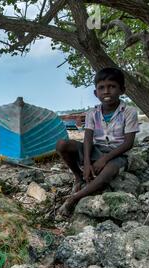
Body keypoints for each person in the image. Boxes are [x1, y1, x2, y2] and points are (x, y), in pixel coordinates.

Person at [55, 67, 140, 218]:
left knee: (109, 171)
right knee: (62, 144)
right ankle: (78, 177)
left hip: (117, 154)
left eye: (112, 86)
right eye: (101, 88)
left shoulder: (129, 112)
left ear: (122, 90)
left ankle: (74, 198)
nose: (106, 91)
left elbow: (128, 143)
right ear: (96, 93)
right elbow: (87, 138)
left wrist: (104, 159)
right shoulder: (92, 113)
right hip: (96, 149)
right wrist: (87, 163)